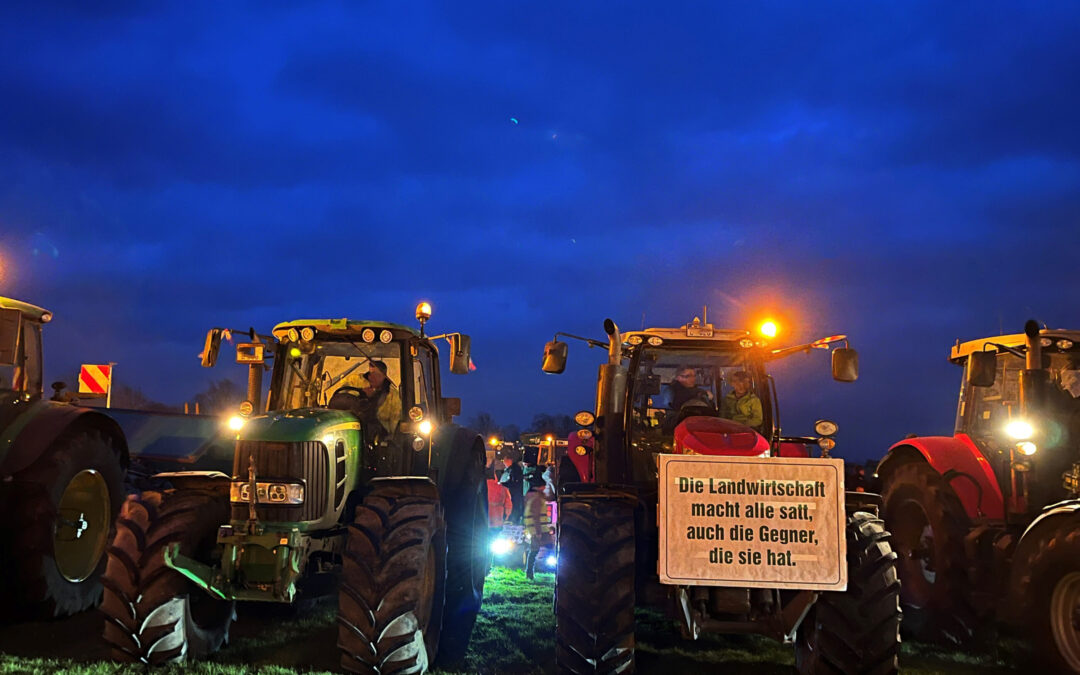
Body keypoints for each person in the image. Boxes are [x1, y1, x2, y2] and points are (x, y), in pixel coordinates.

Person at [522, 464, 551, 579]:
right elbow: (536, 516)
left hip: (536, 529)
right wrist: (538, 532)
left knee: (534, 550)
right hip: (538, 530)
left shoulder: (534, 497)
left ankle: (530, 573)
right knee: (534, 550)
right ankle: (529, 573)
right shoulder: (537, 499)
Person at [361, 360, 401, 437]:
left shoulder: (393, 395)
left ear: (384, 376)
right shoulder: (358, 385)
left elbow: (395, 421)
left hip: (381, 436)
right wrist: (362, 394)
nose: (371, 377)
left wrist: (391, 438)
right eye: (370, 374)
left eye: (376, 375)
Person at [499, 455, 524, 524]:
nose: (504, 463)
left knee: (514, 507)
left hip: (514, 493)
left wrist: (503, 484)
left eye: (504, 461)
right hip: (513, 493)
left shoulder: (514, 469)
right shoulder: (511, 469)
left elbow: (513, 482)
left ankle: (514, 521)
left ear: (509, 460)